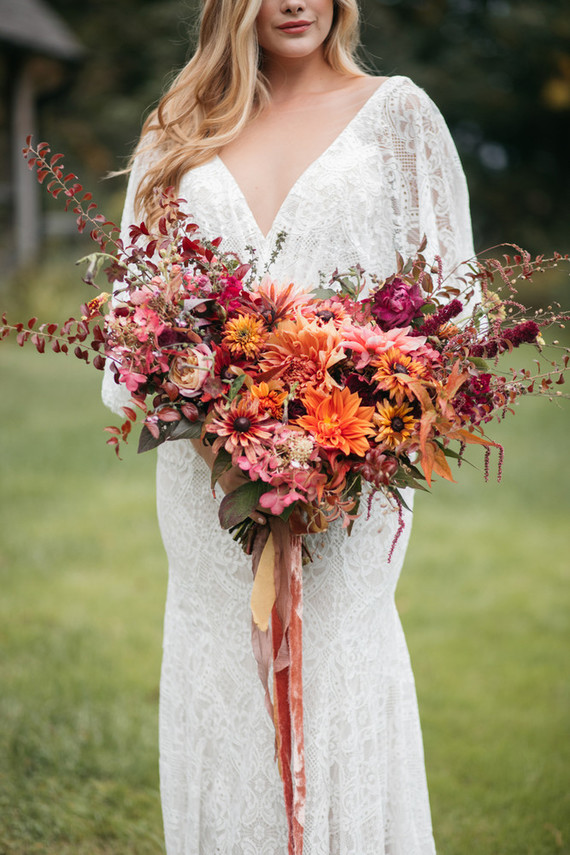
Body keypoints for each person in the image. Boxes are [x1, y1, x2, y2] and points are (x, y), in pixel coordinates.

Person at [103, 0, 474, 851]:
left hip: (353, 482)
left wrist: (357, 426)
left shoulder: (400, 117)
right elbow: (133, 325)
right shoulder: (179, 125)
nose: (294, 2)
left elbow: (453, 319)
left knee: (338, 668)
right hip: (207, 484)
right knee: (221, 678)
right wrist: (210, 407)